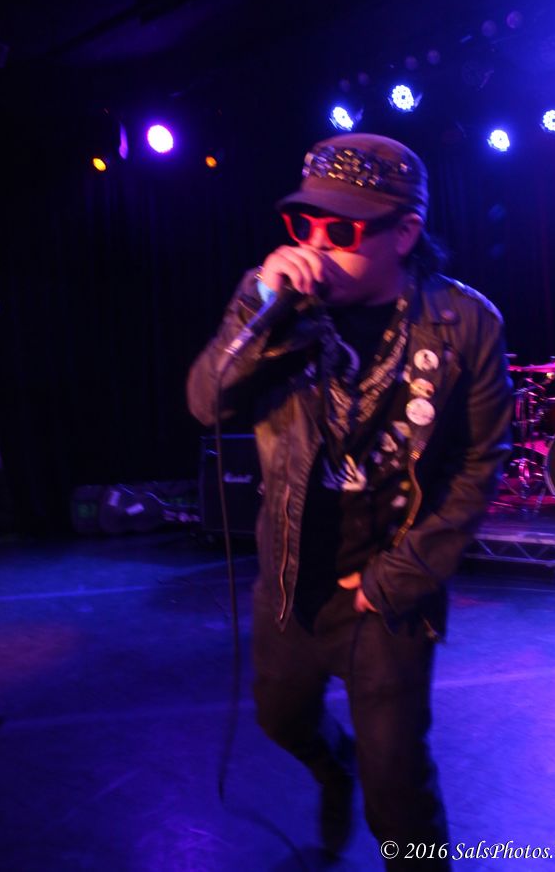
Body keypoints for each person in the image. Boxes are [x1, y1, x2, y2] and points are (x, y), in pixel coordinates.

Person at [187, 133, 512, 869]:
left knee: (397, 785)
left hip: (388, 582)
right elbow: (208, 402)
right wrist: (260, 311)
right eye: (303, 225)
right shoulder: (274, 302)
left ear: (405, 232)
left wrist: (399, 577)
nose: (315, 245)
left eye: (341, 230)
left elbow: (478, 463)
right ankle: (335, 768)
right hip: (294, 572)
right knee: (280, 720)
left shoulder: (467, 324)